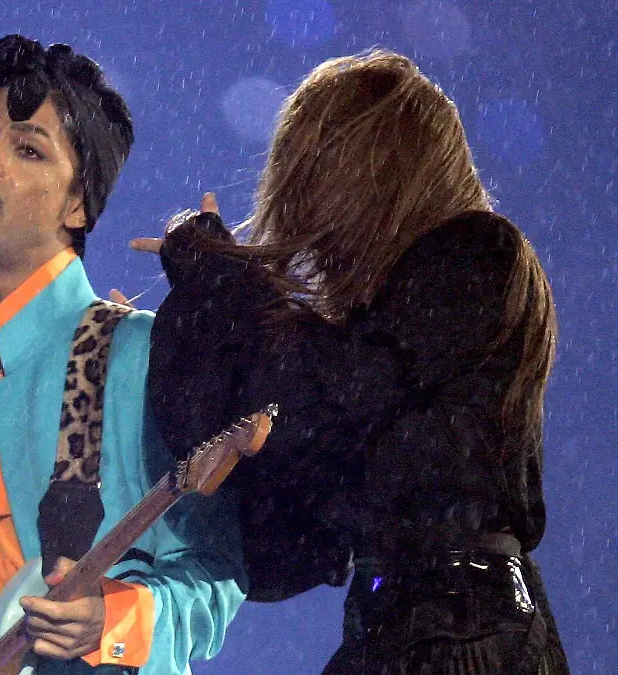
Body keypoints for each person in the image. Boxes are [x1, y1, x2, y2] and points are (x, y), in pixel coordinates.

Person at [141, 50, 569, 673]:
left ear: (377, 168)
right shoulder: (389, 319)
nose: (311, 213)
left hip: (461, 630)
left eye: (323, 175)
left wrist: (221, 280)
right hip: (400, 623)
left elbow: (321, 399)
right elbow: (283, 531)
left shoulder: (476, 254)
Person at [0, 35, 246, 675]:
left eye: (27, 149)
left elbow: (215, 577)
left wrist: (111, 620)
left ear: (77, 205)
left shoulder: (134, 353)